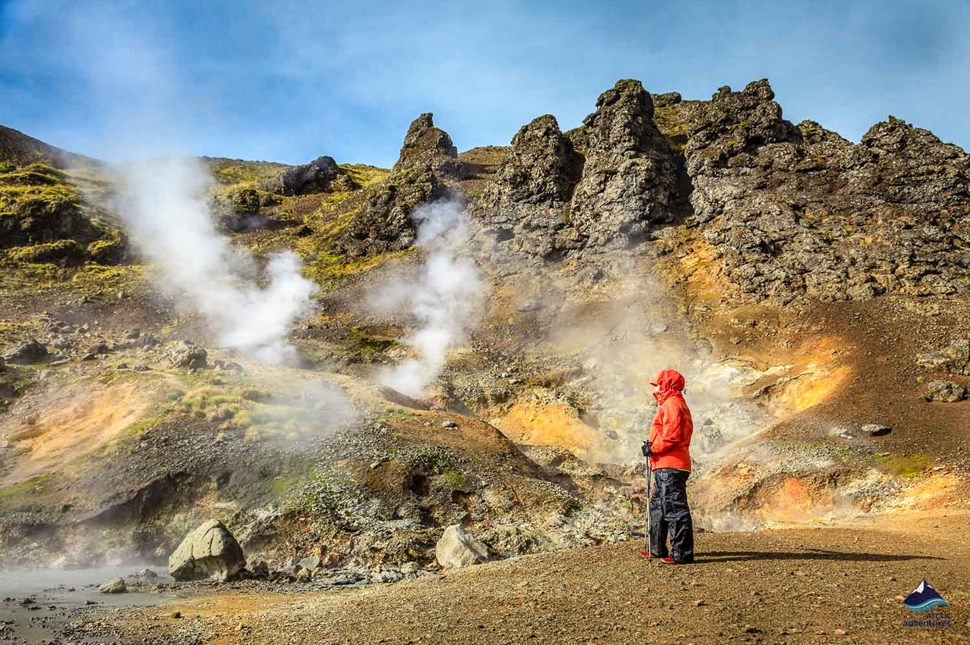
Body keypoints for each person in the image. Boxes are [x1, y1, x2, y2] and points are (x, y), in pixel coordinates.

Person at [642, 368, 695, 564]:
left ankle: (681, 554)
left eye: (658, 384)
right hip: (665, 464)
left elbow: (671, 436)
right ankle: (656, 549)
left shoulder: (672, 404)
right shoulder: (671, 403)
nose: (655, 388)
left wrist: (652, 449)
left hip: (670, 464)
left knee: (673, 508)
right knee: (658, 507)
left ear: (667, 385)